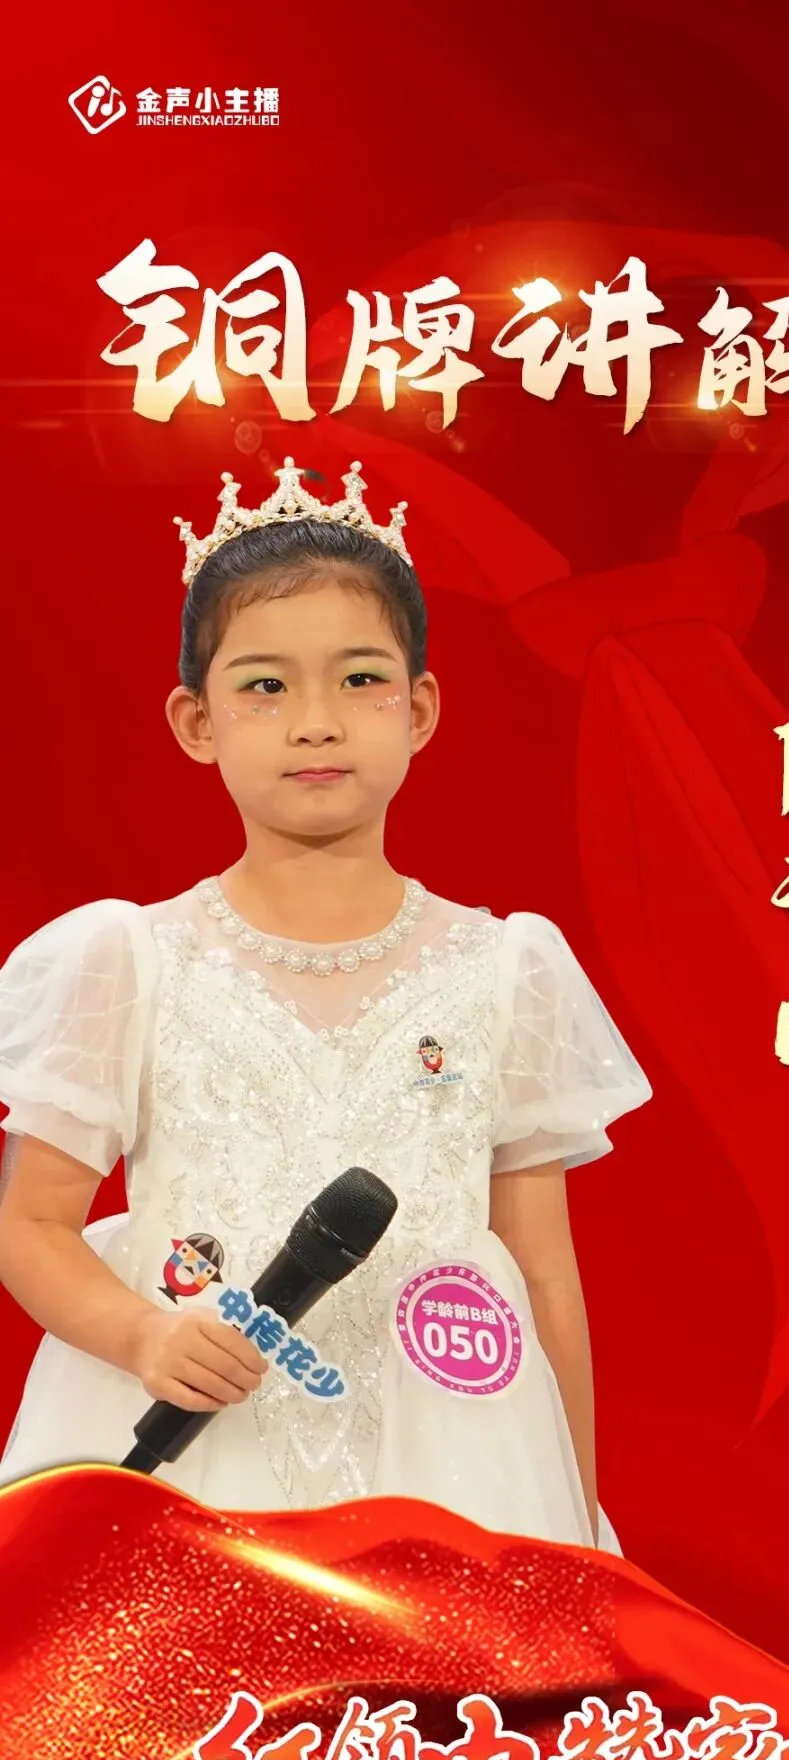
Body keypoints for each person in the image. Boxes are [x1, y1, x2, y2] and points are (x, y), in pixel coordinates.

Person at [0, 460, 652, 1548]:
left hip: (453, 1451)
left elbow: (544, 1272)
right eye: (265, 686)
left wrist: (578, 1529)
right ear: (196, 720)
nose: (316, 722)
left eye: (360, 680)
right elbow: (30, 1225)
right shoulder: (127, 959)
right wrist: (142, 1337)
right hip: (204, 1441)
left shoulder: (506, 967)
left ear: (420, 708)